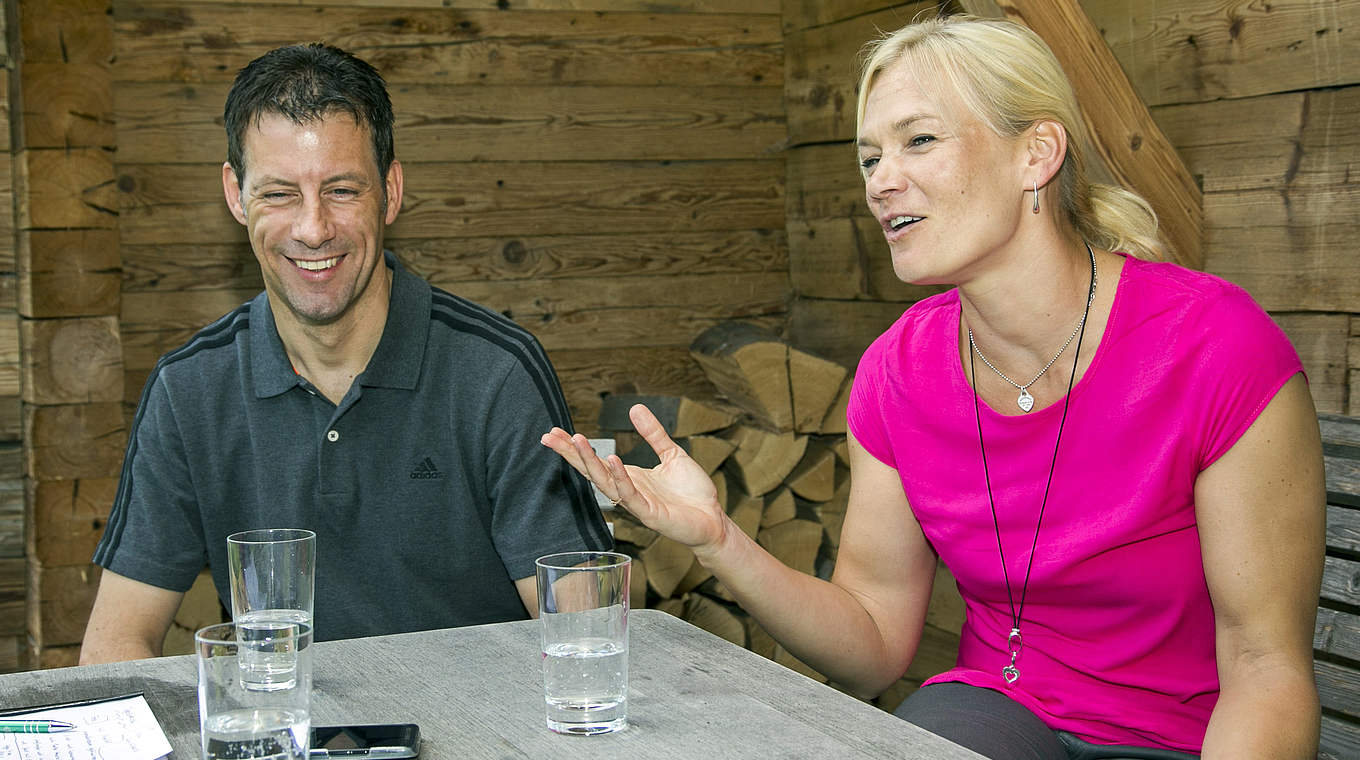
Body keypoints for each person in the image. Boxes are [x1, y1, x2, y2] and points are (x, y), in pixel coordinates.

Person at [541, 15, 1323, 760]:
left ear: (1036, 154)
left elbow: (1266, 671)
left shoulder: (1213, 346)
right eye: (870, 158)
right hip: (995, 714)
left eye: (919, 141)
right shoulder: (899, 371)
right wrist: (719, 540)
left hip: (1175, 738)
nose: (883, 181)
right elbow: (872, 645)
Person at [82, 43, 612, 664]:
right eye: (278, 194)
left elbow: (588, 638)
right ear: (235, 195)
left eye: (340, 190)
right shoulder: (188, 389)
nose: (312, 228)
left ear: (389, 192)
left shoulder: (496, 372)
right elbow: (116, 644)